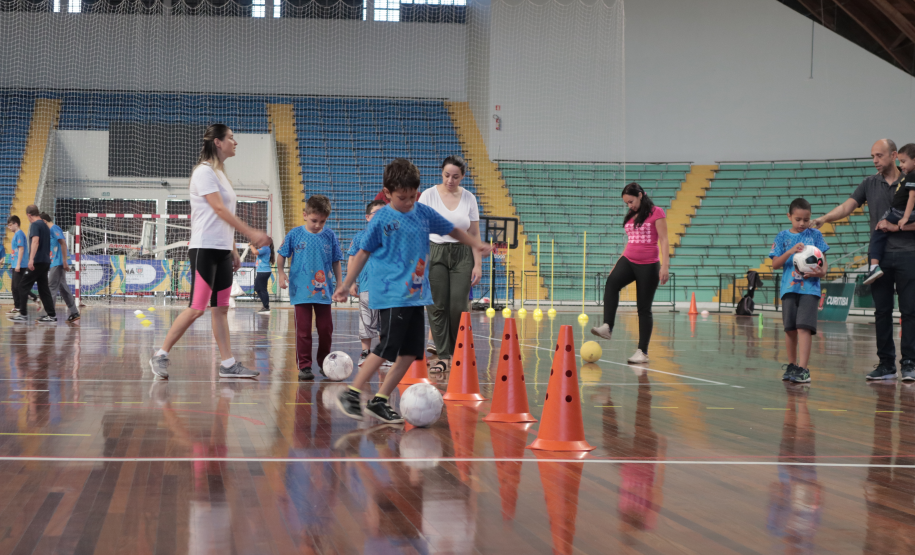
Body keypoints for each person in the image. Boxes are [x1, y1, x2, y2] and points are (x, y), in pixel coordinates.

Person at [332, 158, 491, 424]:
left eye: (411, 197)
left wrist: (476, 242)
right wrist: (347, 284)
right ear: (387, 192)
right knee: (387, 347)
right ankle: (352, 393)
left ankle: (380, 400)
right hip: (392, 294)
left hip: (417, 295)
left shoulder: (423, 212)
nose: (407, 202)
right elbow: (362, 254)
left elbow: (453, 230)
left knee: (411, 353)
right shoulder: (382, 217)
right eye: (401, 197)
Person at [148, 124, 268, 380]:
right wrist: (251, 233)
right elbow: (219, 210)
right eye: (231, 138)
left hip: (223, 250)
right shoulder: (203, 172)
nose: (235, 143)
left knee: (221, 308)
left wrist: (234, 248)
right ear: (218, 142)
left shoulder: (221, 174)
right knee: (197, 307)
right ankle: (160, 354)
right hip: (204, 248)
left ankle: (228, 364)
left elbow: (227, 216)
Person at [812, 139, 915, 381]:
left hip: (909, 255)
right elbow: (847, 206)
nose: (875, 160)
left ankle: (909, 363)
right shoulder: (869, 183)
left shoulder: (911, 178)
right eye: (872, 156)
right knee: (882, 311)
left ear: (893, 155)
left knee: (910, 311)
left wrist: (896, 227)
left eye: (879, 155)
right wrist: (825, 218)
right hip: (879, 258)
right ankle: (886, 364)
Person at [591, 182, 670, 363]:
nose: (630, 205)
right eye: (627, 203)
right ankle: (607, 326)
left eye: (631, 201)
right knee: (611, 282)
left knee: (643, 308)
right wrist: (618, 263)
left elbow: (664, 240)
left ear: (640, 195)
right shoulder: (632, 214)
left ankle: (642, 352)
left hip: (649, 265)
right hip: (629, 260)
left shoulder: (657, 212)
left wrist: (665, 265)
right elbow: (631, 242)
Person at [417, 156, 482, 373]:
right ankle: (443, 356)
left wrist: (478, 264)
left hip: (463, 254)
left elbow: (474, 233)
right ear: (441, 173)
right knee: (436, 306)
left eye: (455, 176)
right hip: (435, 252)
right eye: (446, 175)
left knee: (458, 306)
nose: (450, 180)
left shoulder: (469, 198)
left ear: (463, 176)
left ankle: (456, 352)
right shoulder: (428, 195)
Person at [277, 195, 343, 381]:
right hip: (301, 291)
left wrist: (340, 283)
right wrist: (281, 273)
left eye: (322, 221)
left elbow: (336, 261)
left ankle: (324, 364)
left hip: (324, 292)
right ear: (305, 215)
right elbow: (281, 254)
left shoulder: (329, 235)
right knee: (304, 330)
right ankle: (305, 366)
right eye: (314, 220)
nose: (318, 225)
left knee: (325, 329)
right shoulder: (294, 234)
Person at [769, 198, 829, 384]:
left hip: (809, 290)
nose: (802, 223)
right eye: (798, 219)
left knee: (804, 327)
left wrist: (822, 272)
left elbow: (823, 261)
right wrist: (791, 251)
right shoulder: (781, 237)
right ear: (789, 217)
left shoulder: (816, 235)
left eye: (806, 219)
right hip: (789, 289)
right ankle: (792, 365)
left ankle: (803, 369)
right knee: (790, 329)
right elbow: (775, 264)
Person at [863, 143, 915, 285]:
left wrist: (904, 218)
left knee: (878, 230)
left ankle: (874, 267)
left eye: (903, 162)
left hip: (899, 213)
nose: (901, 165)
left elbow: (912, 197)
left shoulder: (911, 176)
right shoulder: (907, 175)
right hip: (901, 215)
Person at [348, 200, 386, 366]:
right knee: (366, 321)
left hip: (388, 289)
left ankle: (386, 354)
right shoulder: (359, 237)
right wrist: (351, 282)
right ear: (368, 217)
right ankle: (365, 352)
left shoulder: (391, 236)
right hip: (367, 287)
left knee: (387, 323)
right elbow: (351, 258)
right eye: (377, 213)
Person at [9, 205, 56, 324]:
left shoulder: (35, 225)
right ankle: (51, 315)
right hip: (45, 261)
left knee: (22, 285)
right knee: (43, 289)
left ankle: (23, 314)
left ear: (29, 215)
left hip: (38, 261)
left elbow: (35, 241)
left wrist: (31, 259)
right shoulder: (45, 226)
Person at [40, 212, 80, 322]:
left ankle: (50, 315)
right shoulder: (49, 231)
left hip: (58, 262)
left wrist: (64, 261)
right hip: (55, 262)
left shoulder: (54, 228)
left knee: (51, 288)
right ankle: (74, 312)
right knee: (63, 288)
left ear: (44, 221)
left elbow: (63, 243)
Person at [6, 215, 40, 315]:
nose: (9, 227)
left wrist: (18, 264)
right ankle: (19, 305)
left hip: (20, 265)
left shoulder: (19, 234)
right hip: (16, 264)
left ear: (16, 224)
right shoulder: (16, 234)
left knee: (18, 287)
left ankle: (30, 300)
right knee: (16, 287)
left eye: (10, 225)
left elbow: (21, 249)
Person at [250, 237, 274, 315]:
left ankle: (266, 306)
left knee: (263, 289)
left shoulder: (266, 248)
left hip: (263, 271)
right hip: (262, 271)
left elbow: (255, 252)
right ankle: (265, 305)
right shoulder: (264, 249)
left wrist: (251, 245)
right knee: (257, 288)